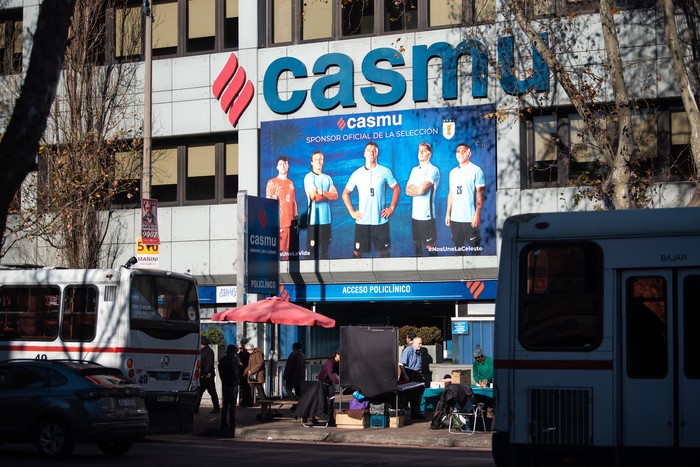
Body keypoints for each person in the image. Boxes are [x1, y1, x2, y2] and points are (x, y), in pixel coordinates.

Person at [342, 142, 400, 258]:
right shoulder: (357, 174)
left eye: (374, 150)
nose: (371, 152)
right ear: (364, 154)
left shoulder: (385, 171)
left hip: (381, 222)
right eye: (369, 150)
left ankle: (385, 276)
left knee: (384, 252)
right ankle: (358, 276)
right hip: (363, 221)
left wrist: (391, 207)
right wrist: (352, 212)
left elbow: (396, 188)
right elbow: (345, 193)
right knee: (357, 253)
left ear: (377, 153)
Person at [445, 142, 485, 256]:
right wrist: (448, 214)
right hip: (455, 219)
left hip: (470, 218)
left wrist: (477, 214)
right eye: (458, 151)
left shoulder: (476, 170)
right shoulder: (453, 172)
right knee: (458, 249)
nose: (460, 154)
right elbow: (451, 193)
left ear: (469, 153)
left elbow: (480, 194)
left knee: (475, 249)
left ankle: (475, 274)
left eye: (463, 151)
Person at [405, 142, 440, 256]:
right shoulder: (414, 170)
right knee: (416, 244)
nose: (420, 152)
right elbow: (407, 190)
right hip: (415, 215)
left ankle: (434, 271)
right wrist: (418, 188)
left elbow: (422, 191)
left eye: (423, 150)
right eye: (419, 150)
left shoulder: (433, 170)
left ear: (429, 154)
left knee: (429, 246)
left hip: (427, 215)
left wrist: (416, 189)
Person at [303, 150, 338, 259]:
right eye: (316, 159)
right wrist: (328, 196)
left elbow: (336, 196)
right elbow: (315, 197)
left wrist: (322, 192)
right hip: (313, 221)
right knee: (311, 252)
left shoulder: (328, 178)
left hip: (326, 221)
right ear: (312, 162)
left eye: (320, 159)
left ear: (323, 162)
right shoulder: (309, 177)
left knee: (325, 253)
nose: (318, 161)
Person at [266, 155, 299, 260]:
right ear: (277, 167)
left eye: (285, 164)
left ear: (288, 166)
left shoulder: (291, 183)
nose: (283, 166)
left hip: (290, 223)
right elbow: (269, 204)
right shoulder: (272, 183)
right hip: (279, 223)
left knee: (288, 254)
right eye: (280, 164)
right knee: (278, 253)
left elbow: (293, 201)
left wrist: (296, 217)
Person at [399, 336, 425, 419]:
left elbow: (418, 366)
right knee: (406, 396)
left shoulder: (418, 352)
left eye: (421, 343)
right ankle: (402, 414)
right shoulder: (408, 350)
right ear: (414, 343)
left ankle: (415, 413)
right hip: (408, 373)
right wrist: (406, 376)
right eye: (419, 343)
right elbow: (401, 365)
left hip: (416, 374)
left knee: (416, 394)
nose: (421, 345)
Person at [217, 344, 240, 431]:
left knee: (225, 404)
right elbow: (236, 372)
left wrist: (223, 378)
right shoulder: (234, 360)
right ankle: (232, 423)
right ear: (233, 352)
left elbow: (220, 370)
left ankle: (223, 422)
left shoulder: (222, 360)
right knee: (232, 405)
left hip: (225, 384)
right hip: (233, 384)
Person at [195, 336, 220, 413]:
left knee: (212, 392)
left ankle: (216, 408)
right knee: (199, 392)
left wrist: (205, 373)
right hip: (203, 375)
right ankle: (196, 408)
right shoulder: (202, 351)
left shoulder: (209, 351)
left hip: (207, 376)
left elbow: (209, 364)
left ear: (203, 344)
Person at [315, 349, 341, 424]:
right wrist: (338, 382)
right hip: (322, 383)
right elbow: (330, 374)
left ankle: (331, 418)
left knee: (332, 399)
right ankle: (315, 415)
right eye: (340, 356)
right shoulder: (330, 362)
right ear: (336, 355)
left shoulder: (337, 363)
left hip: (329, 383)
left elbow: (339, 371)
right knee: (322, 400)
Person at [238, 338, 254, 407]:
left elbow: (246, 359)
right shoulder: (242, 350)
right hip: (243, 370)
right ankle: (245, 400)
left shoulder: (247, 351)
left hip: (246, 370)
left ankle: (247, 401)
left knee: (246, 387)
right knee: (244, 387)